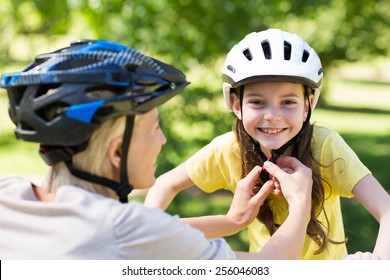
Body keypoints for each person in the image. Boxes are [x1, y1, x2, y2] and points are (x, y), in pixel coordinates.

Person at [0, 39, 314, 260]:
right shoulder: (125, 231)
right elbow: (271, 267)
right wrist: (300, 202)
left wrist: (231, 222)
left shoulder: (10, 195)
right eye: (154, 128)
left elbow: (149, 230)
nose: (162, 140)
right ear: (117, 153)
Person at [144, 29, 390, 260]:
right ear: (236, 103)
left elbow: (387, 211)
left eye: (288, 102)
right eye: (258, 102)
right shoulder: (230, 149)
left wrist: (378, 262)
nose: (273, 115)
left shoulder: (325, 146)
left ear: (308, 105)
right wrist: (146, 233)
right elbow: (165, 184)